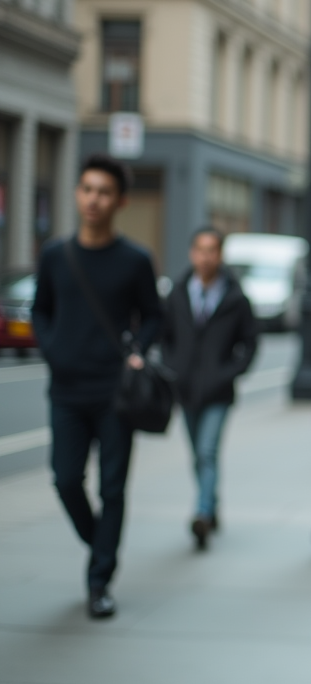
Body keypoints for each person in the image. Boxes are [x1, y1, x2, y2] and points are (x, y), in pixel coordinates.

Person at [31, 154, 163, 619]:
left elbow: (153, 315)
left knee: (112, 487)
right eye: (87, 189)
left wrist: (137, 350)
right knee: (66, 479)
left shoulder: (134, 260)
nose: (93, 199)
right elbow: (40, 309)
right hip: (66, 388)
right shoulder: (55, 255)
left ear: (119, 201)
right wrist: (52, 349)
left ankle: (99, 581)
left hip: (115, 393)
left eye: (104, 192)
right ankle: (101, 543)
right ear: (76, 194)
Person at [161, 227, 259, 551]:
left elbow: (249, 342)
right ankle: (211, 503)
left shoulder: (235, 297)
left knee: (207, 451)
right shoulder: (177, 293)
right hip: (185, 389)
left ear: (220, 255)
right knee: (197, 454)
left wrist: (230, 372)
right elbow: (166, 336)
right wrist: (172, 368)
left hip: (218, 391)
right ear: (192, 253)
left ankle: (202, 513)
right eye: (200, 250)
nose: (206, 257)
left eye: (212, 250)